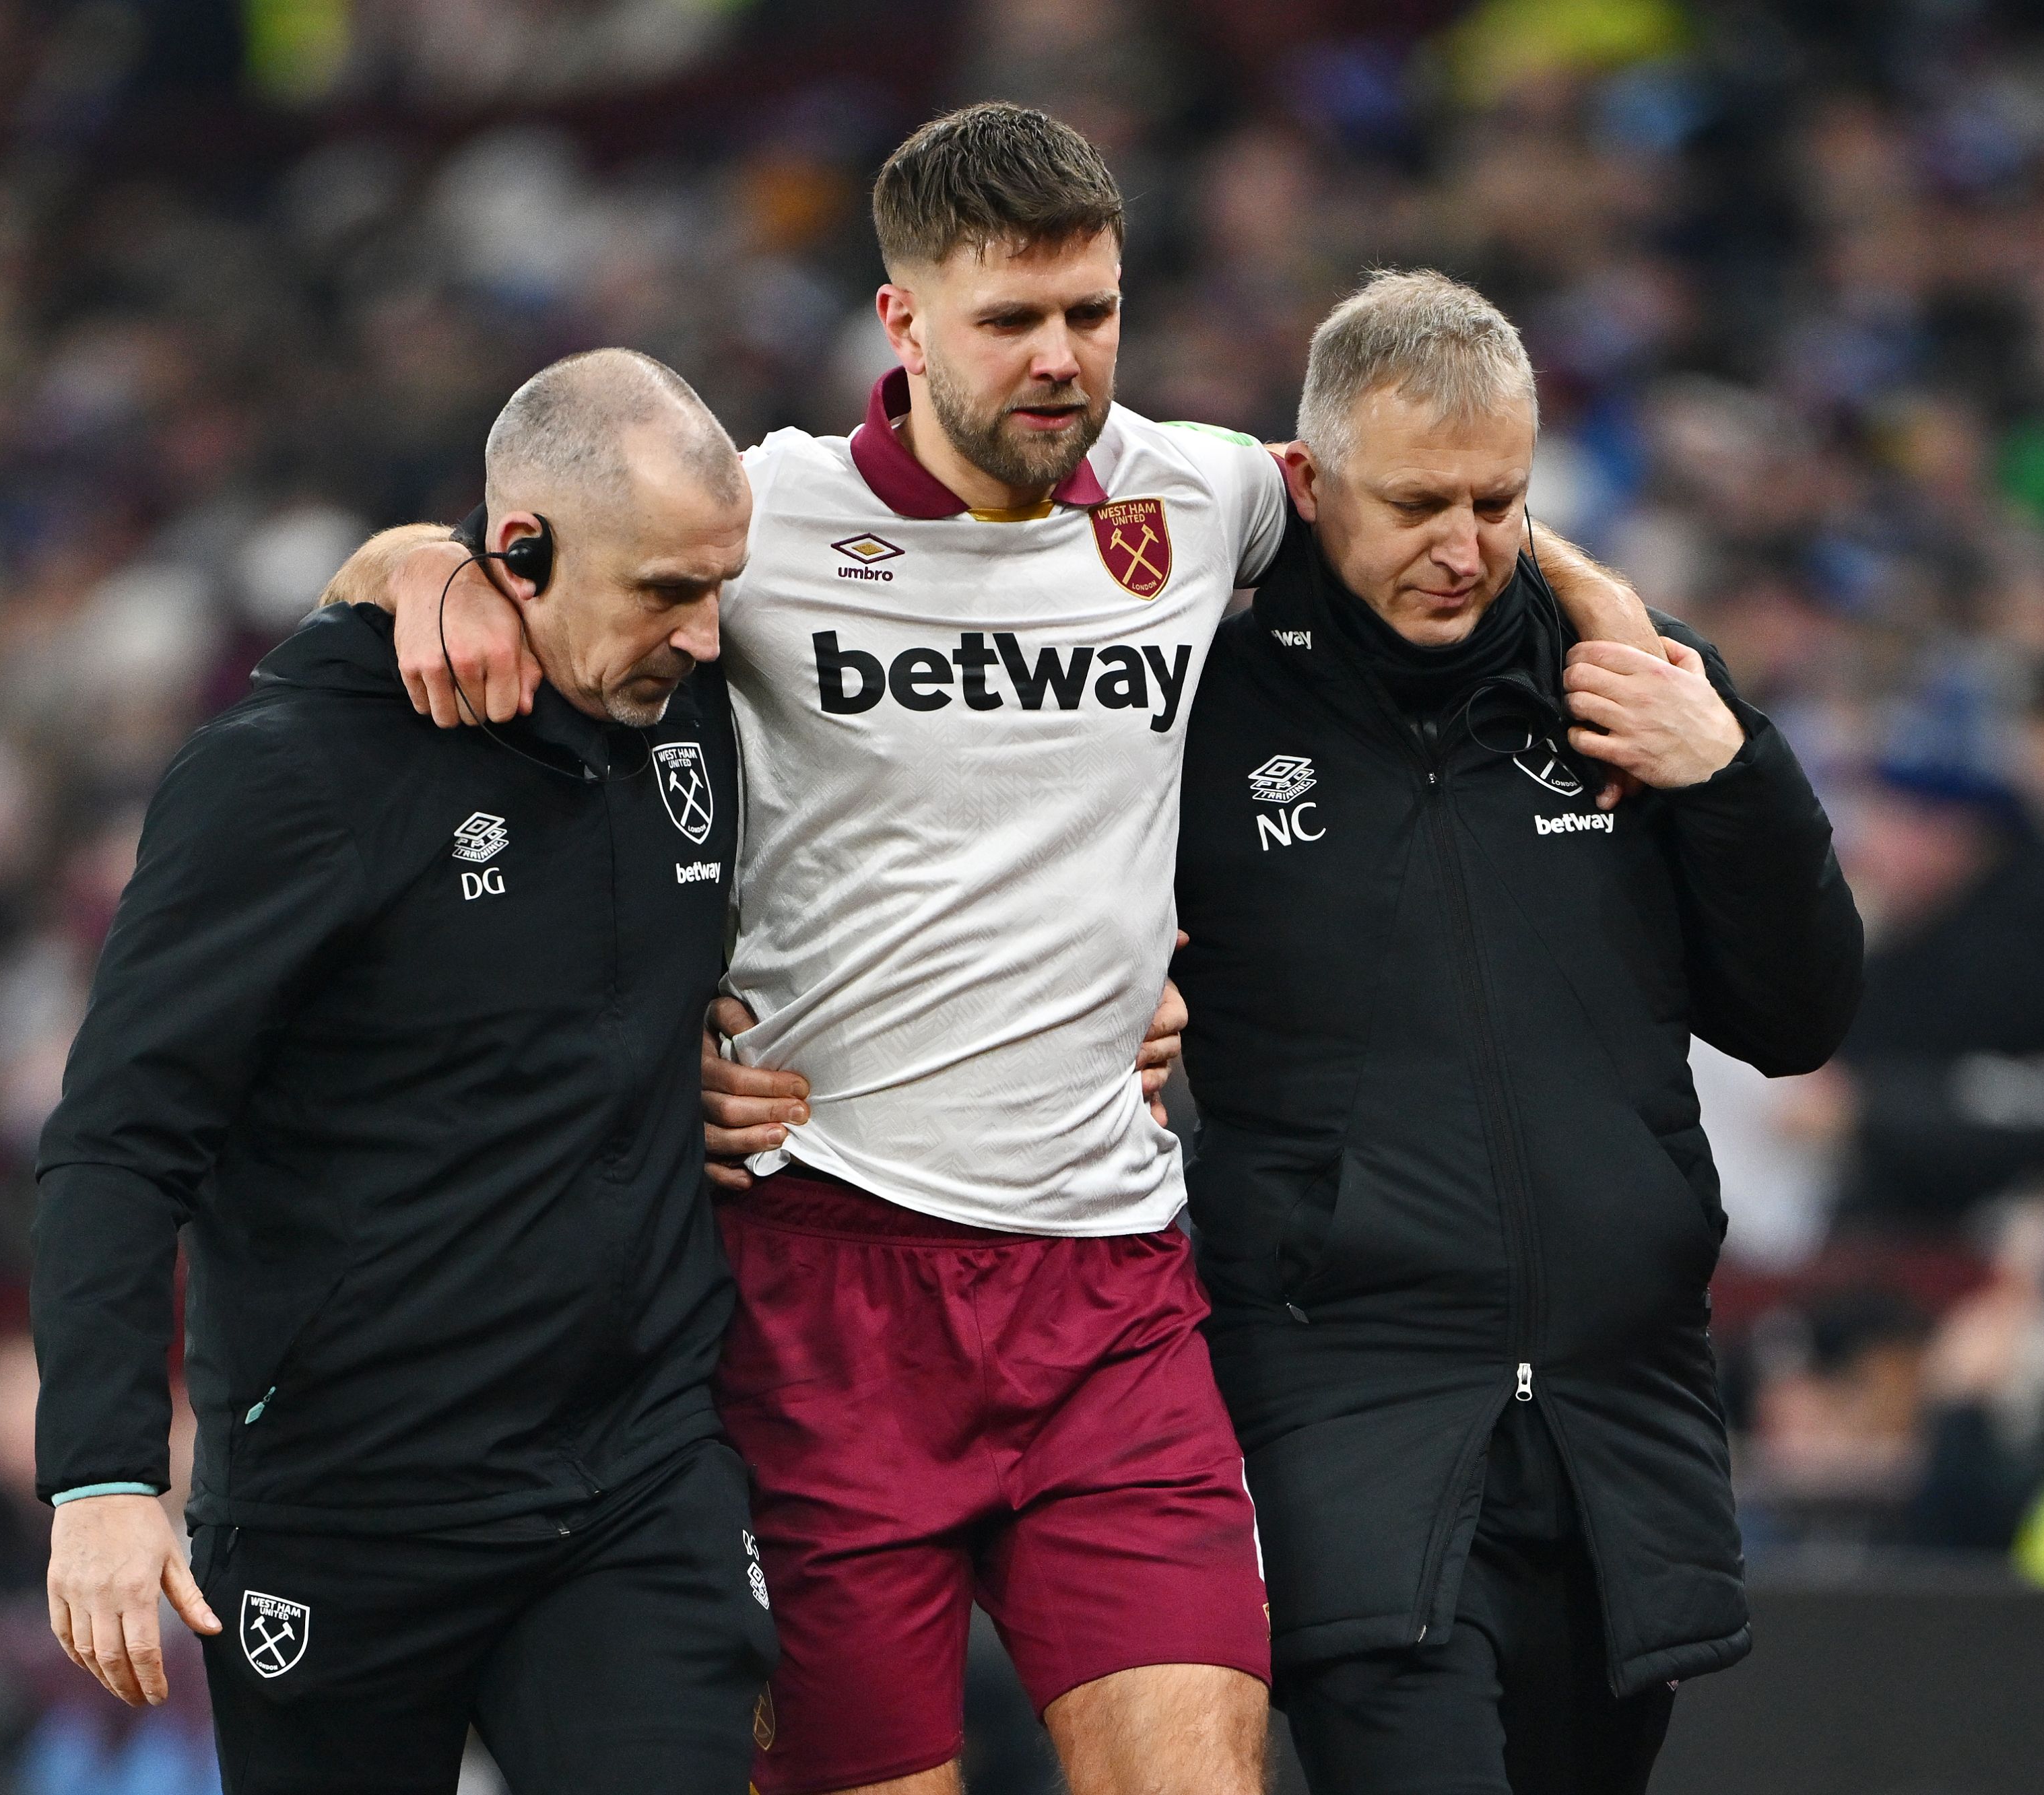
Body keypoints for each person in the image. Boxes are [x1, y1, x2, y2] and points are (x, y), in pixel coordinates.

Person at [339, 105, 1662, 1795]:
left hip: (1110, 1283)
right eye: (1011, 320)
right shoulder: (770, 523)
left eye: (1092, 313)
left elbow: (1413, 501)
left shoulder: (1193, 497)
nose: (1062, 359)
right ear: (901, 325)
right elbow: (527, 585)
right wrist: (407, 573)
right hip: (821, 1286)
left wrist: (1615, 613)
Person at [29, 350, 777, 1794]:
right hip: (346, 1501)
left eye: (720, 586)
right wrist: (107, 1476)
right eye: (666, 595)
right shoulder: (293, 775)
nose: (705, 636)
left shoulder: (677, 709)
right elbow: (120, 1135)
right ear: (520, 555)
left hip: (631, 1481)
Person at [1171, 271, 1864, 1794]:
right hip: (1348, 1400)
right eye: (1416, 499)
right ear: (1302, 482)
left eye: (1498, 499)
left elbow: (1799, 1016)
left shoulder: (1628, 679)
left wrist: (1727, 766)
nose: (1463, 545)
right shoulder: (1195, 703)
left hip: (1618, 1412)